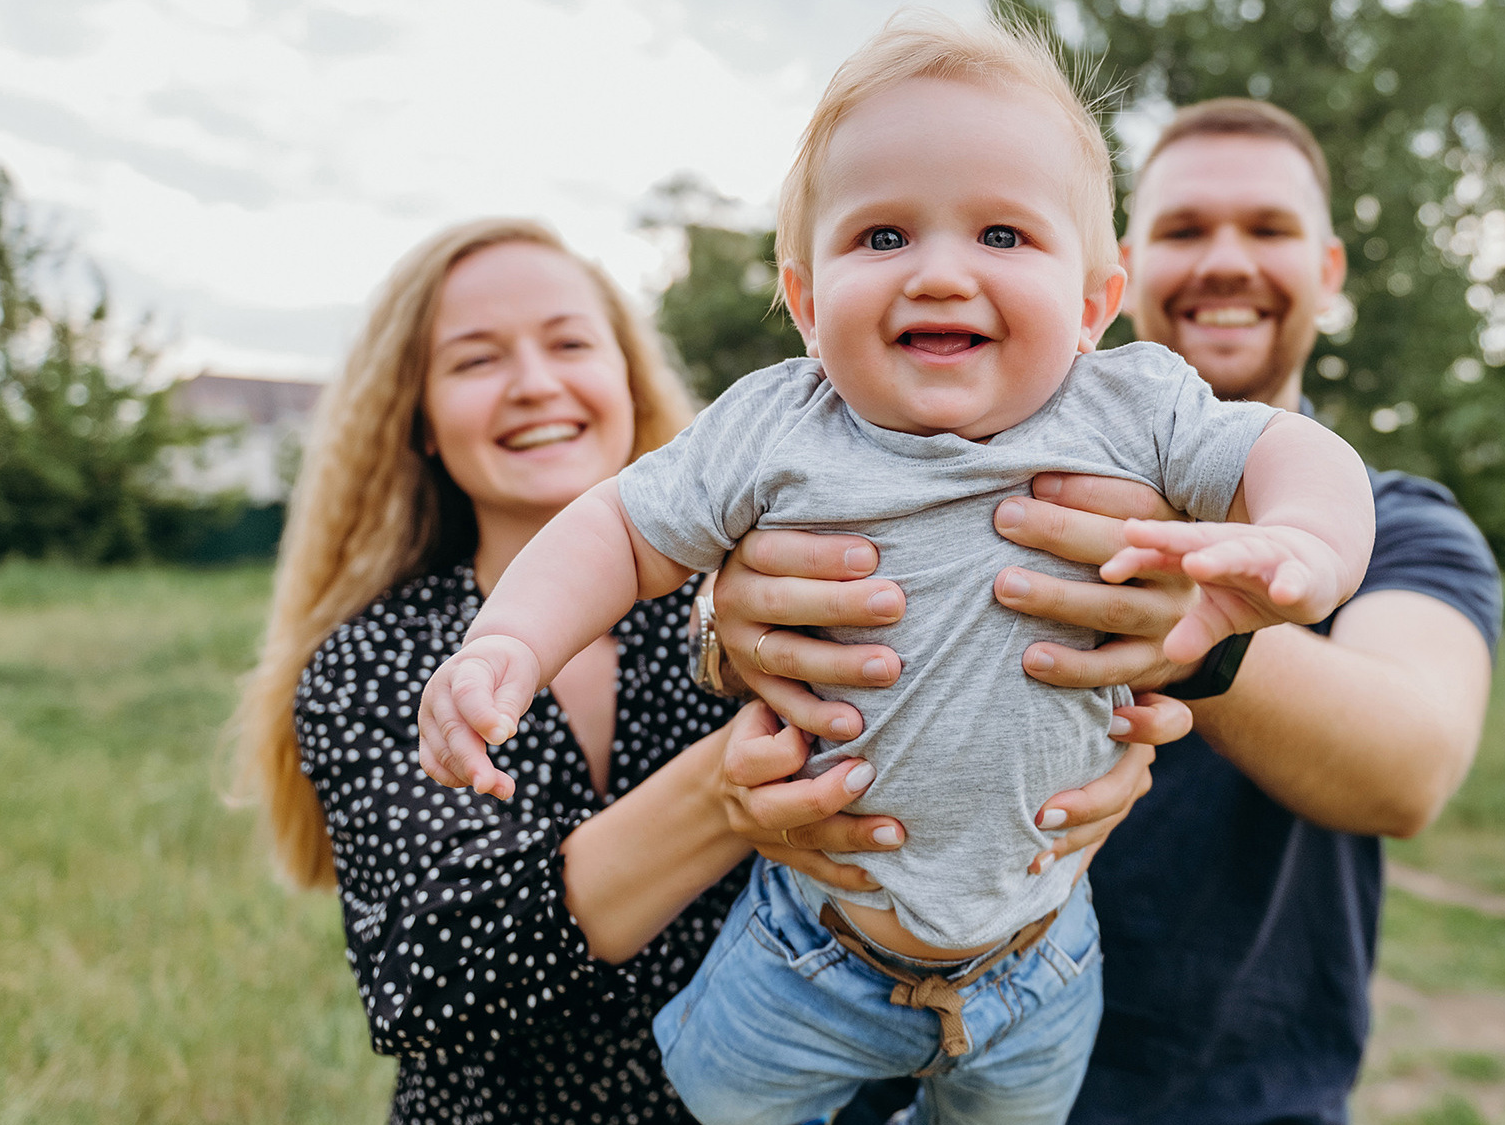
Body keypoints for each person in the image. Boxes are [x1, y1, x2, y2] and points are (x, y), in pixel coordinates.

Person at [416, 23, 1374, 1125]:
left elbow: (1289, 452)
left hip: (1038, 958)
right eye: (880, 236)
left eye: (1003, 233)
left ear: (1091, 299)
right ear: (808, 299)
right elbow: (616, 531)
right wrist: (507, 643)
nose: (938, 272)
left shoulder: (1133, 412)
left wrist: (1306, 541)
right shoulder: (776, 429)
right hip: (810, 946)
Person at [229, 217, 1160, 1125]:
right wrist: (724, 793)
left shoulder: (787, 579)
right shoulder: (380, 657)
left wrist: (1085, 748)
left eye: (570, 343)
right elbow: (425, 981)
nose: (535, 383)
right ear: (421, 419)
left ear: (629, 381)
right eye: (476, 359)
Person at [719, 98, 1503, 1123]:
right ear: (1115, 273)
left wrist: (1183, 632)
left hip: (1227, 1095)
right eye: (1184, 230)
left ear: (1328, 270)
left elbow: (1409, 770)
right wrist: (722, 633)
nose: (1223, 260)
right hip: (899, 1066)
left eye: (1266, 229)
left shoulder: (1392, 521)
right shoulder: (908, 459)